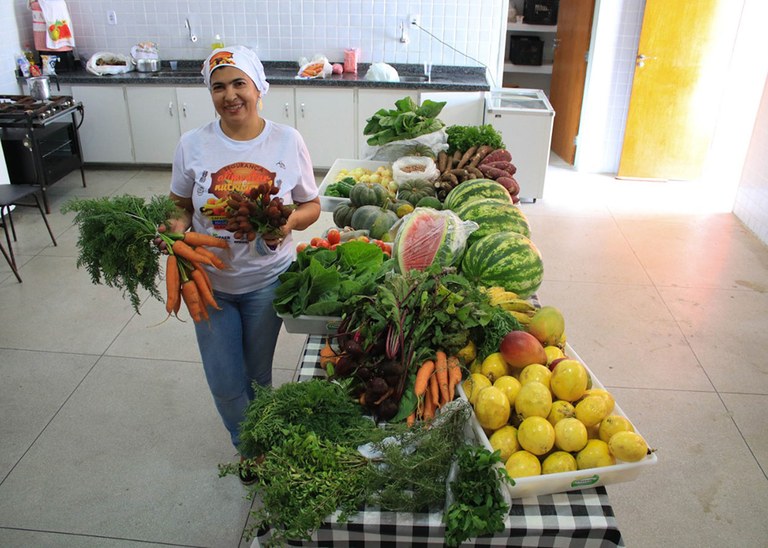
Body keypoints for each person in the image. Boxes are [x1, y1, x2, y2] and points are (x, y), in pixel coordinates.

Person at [161, 45, 321, 480]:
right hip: (207, 283)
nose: (229, 95)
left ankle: (261, 443)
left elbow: (311, 205)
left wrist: (287, 223)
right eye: (218, 87)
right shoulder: (192, 144)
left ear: (257, 89)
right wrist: (174, 233)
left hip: (267, 279)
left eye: (238, 84)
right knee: (226, 381)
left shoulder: (288, 140)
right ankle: (246, 443)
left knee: (257, 375)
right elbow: (178, 204)